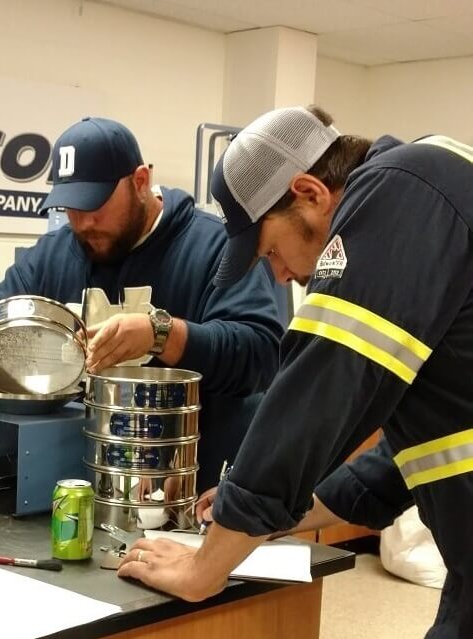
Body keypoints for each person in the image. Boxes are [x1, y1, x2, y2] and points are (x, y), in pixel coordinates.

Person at [118, 105, 473, 638]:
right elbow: (425, 446)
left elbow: (319, 390)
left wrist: (204, 568)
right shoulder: (432, 193)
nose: (282, 274)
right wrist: (283, 513)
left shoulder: (401, 189)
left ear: (310, 193)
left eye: (272, 250)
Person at [0, 116, 283, 492]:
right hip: (78, 489)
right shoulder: (53, 255)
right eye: (71, 208)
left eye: (95, 205)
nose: (83, 223)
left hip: (192, 496)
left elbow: (260, 353)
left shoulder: (214, 247)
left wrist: (160, 334)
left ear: (140, 182)